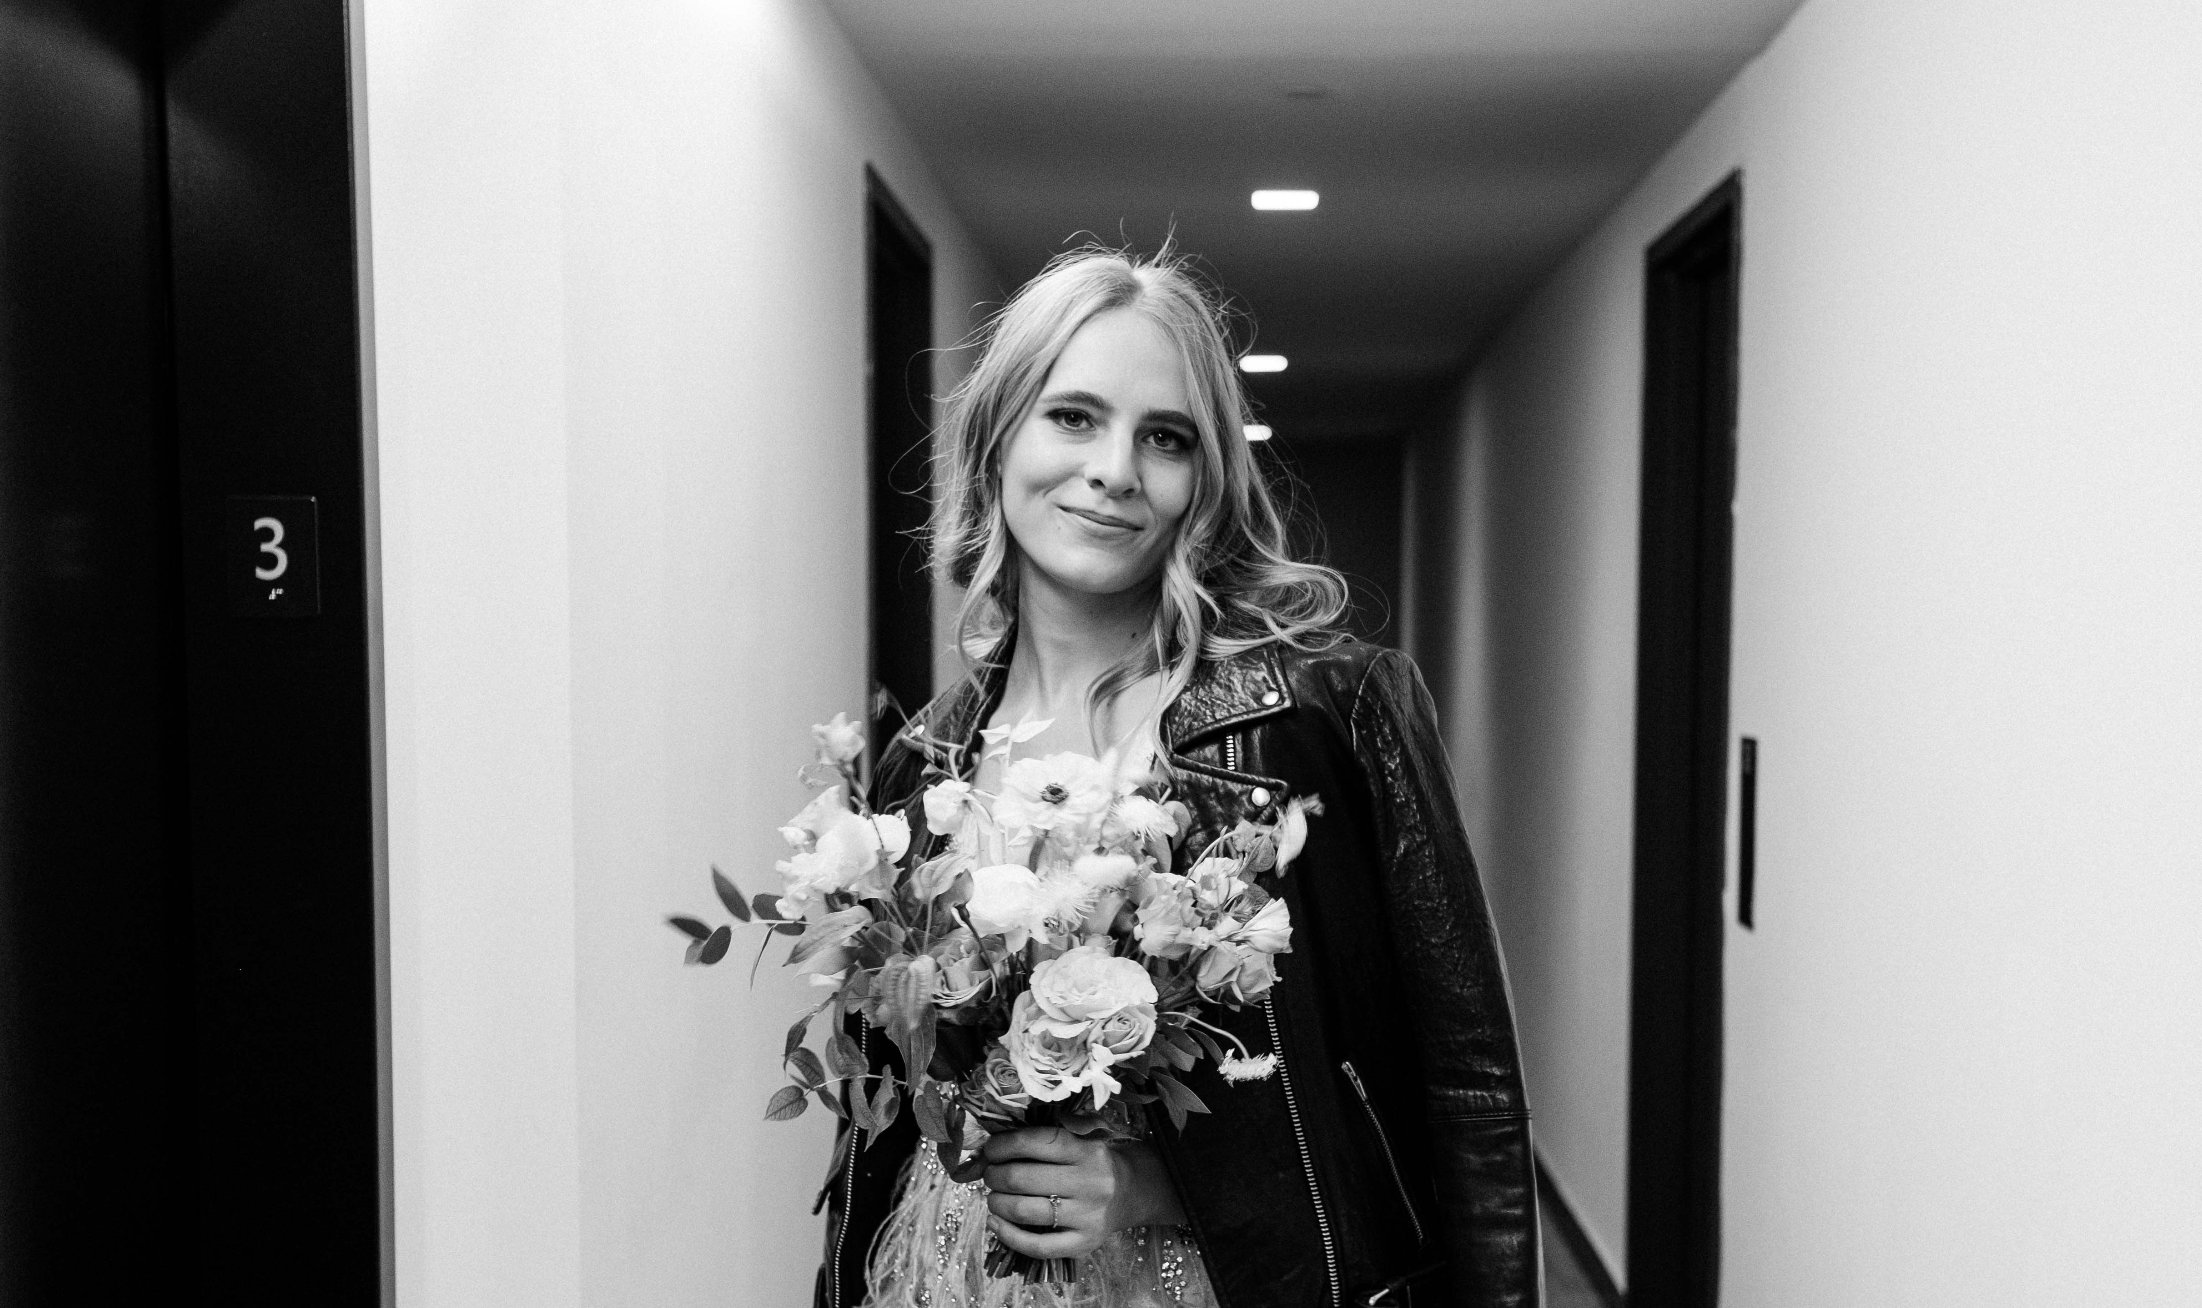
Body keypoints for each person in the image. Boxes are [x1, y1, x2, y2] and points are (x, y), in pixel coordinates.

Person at [818, 246, 1539, 1308]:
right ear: (998, 436)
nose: (1114, 469)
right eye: (1073, 417)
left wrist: (1171, 1184)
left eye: (1164, 438)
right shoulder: (920, 765)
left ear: (1205, 479)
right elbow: (875, 1114)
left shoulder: (1322, 716)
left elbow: (1466, 1088)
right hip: (946, 1275)